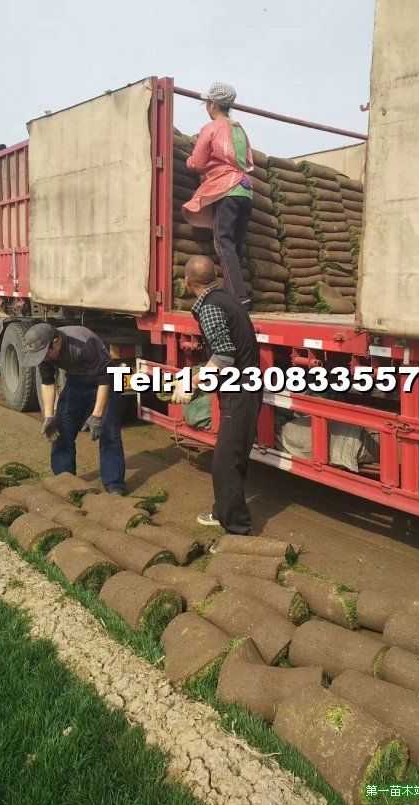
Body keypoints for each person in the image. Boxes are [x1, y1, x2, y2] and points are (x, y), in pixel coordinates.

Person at [173, 256, 262, 535]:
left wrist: (191, 383)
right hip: (246, 386)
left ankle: (238, 528)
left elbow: (224, 355)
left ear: (187, 282)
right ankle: (224, 511)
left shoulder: (210, 306)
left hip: (239, 389)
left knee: (226, 462)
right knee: (232, 457)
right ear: (215, 276)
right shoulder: (227, 298)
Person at [21, 323, 125, 495]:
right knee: (60, 430)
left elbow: (104, 381)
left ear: (56, 342)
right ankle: (64, 480)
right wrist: (49, 416)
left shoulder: (83, 344)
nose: (43, 359)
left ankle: (114, 485)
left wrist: (97, 415)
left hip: (108, 381)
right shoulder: (44, 352)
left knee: (109, 433)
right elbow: (48, 382)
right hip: (77, 382)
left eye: (45, 354)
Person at [182, 82, 253, 308]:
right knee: (234, 244)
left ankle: (238, 297)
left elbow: (197, 163)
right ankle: (240, 293)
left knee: (222, 242)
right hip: (246, 190)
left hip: (227, 189)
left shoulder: (211, 128)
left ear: (212, 104)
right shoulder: (239, 129)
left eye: (206, 103)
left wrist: (188, 159)